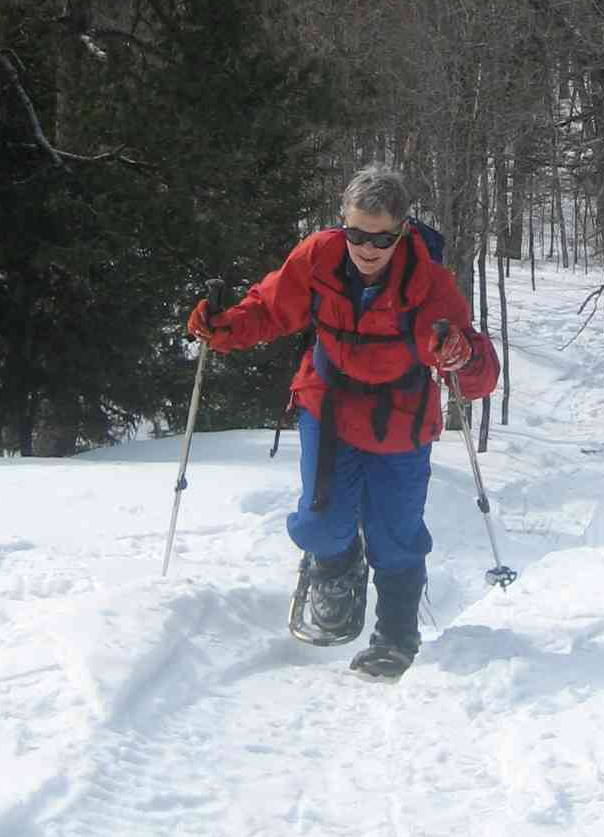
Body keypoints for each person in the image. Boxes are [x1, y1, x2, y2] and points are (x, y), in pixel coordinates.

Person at [186, 164, 499, 679]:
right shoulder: (319, 257)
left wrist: (462, 357)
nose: (367, 249)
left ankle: (396, 635)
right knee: (320, 523)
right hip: (329, 402)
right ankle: (335, 566)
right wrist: (222, 327)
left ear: (402, 232)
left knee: (395, 531)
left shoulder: (429, 283)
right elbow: (269, 309)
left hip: (400, 415)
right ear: (342, 224)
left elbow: (477, 373)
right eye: (357, 234)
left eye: (381, 238)